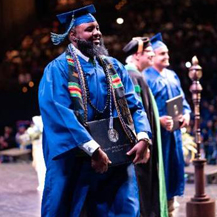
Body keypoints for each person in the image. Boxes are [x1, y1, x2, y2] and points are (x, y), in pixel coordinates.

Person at [38, 4, 152, 217]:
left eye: (98, 28)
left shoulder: (113, 67)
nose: (97, 33)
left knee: (125, 208)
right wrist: (93, 149)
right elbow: (60, 113)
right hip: (77, 158)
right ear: (73, 35)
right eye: (90, 29)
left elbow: (135, 105)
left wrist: (143, 137)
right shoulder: (58, 70)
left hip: (116, 156)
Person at [143, 33, 191, 217]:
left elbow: (183, 101)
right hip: (157, 138)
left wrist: (185, 114)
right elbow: (142, 110)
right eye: (162, 53)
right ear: (152, 55)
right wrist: (158, 120)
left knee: (173, 175)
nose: (167, 56)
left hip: (174, 136)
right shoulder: (145, 77)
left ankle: (171, 210)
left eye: (167, 53)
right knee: (158, 177)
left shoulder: (172, 75)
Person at [123, 37, 168, 217]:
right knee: (142, 192)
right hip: (140, 148)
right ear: (136, 55)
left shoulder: (136, 75)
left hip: (144, 145)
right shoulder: (132, 76)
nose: (152, 55)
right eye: (148, 52)